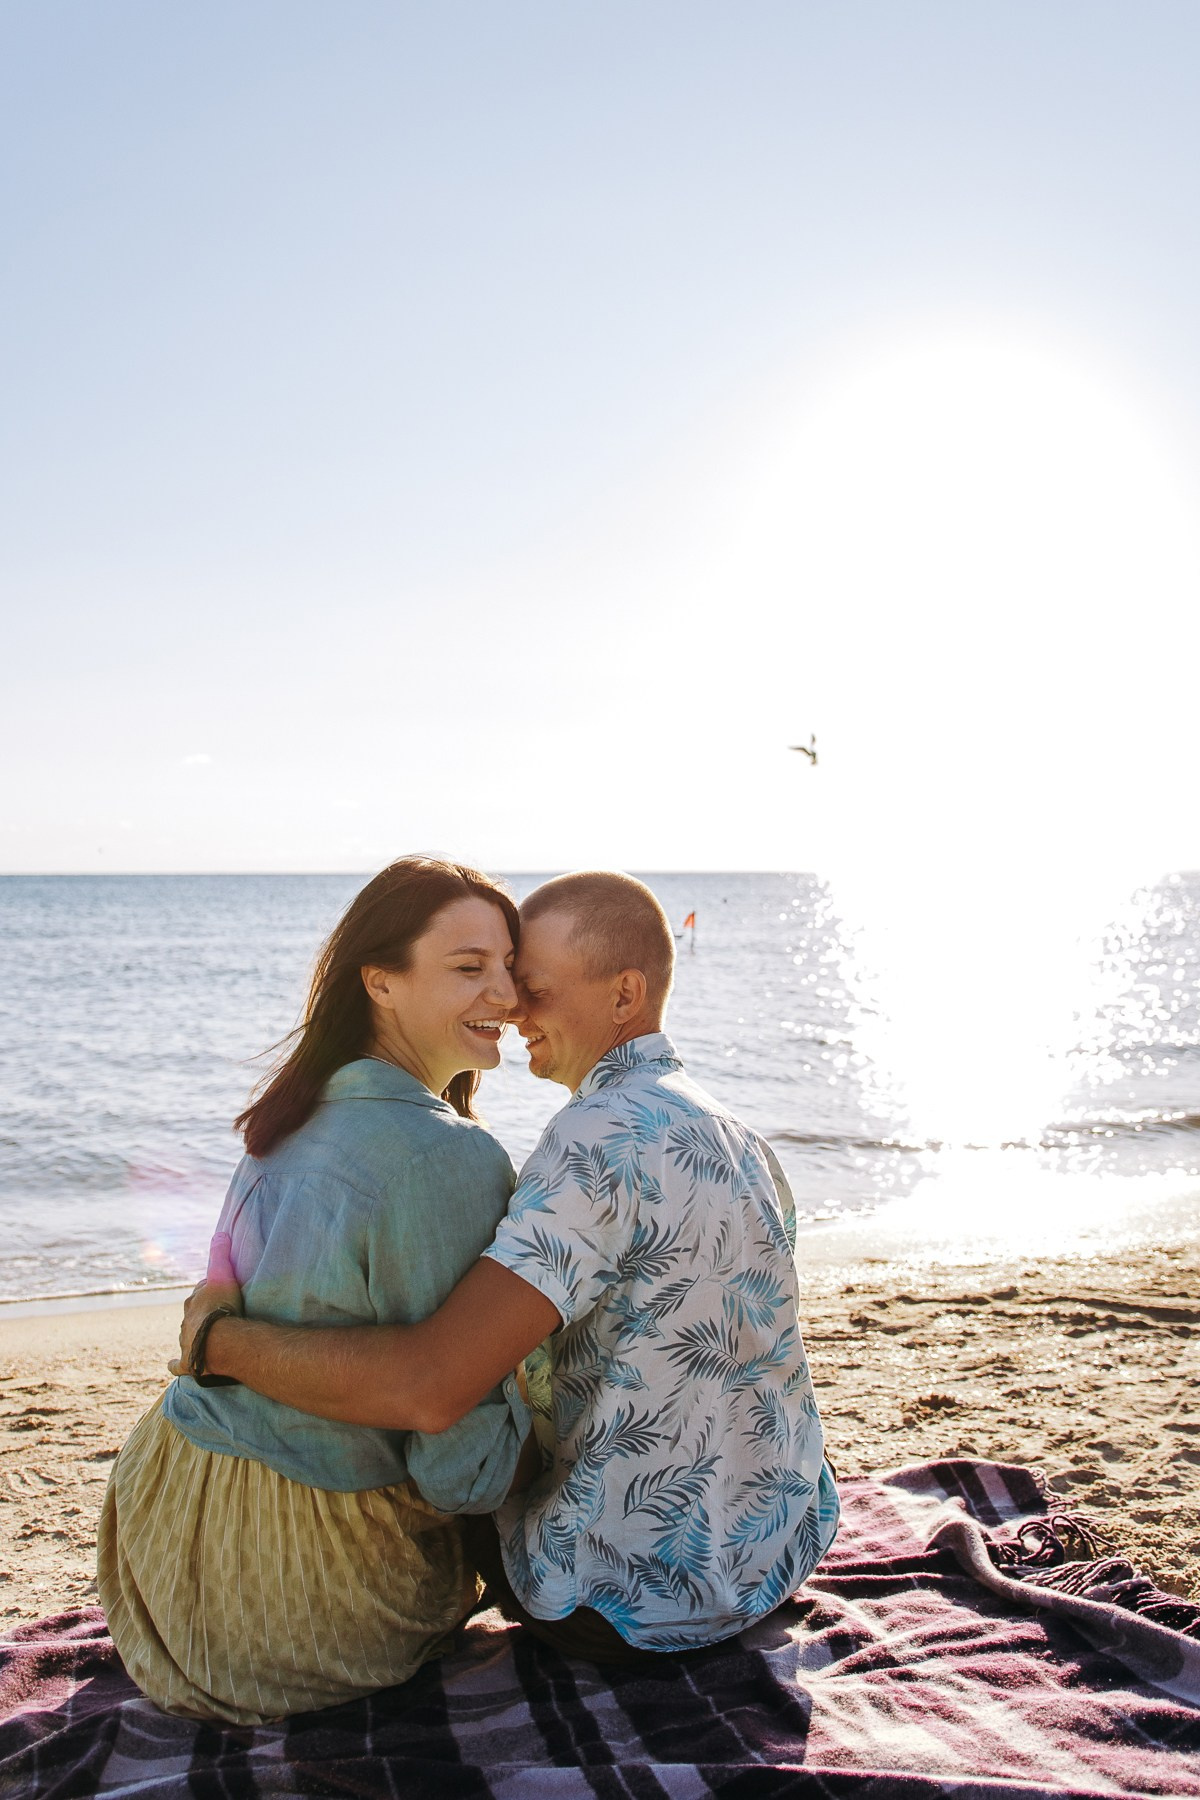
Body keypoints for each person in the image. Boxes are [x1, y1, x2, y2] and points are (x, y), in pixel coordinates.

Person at [179, 871, 840, 1664]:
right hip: (776, 1548)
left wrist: (216, 1342)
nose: (513, 1007)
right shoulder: (733, 1131)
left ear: (624, 995)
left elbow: (432, 1385)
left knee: (460, 1443)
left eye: (532, 985)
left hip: (633, 1597)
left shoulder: (594, 1140)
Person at [98, 856, 535, 1725]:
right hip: (291, 1598)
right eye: (469, 967)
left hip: (157, 1540)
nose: (509, 996)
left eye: (511, 970)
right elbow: (457, 1475)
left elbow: (218, 1291)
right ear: (380, 981)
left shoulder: (289, 1110)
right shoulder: (448, 1155)